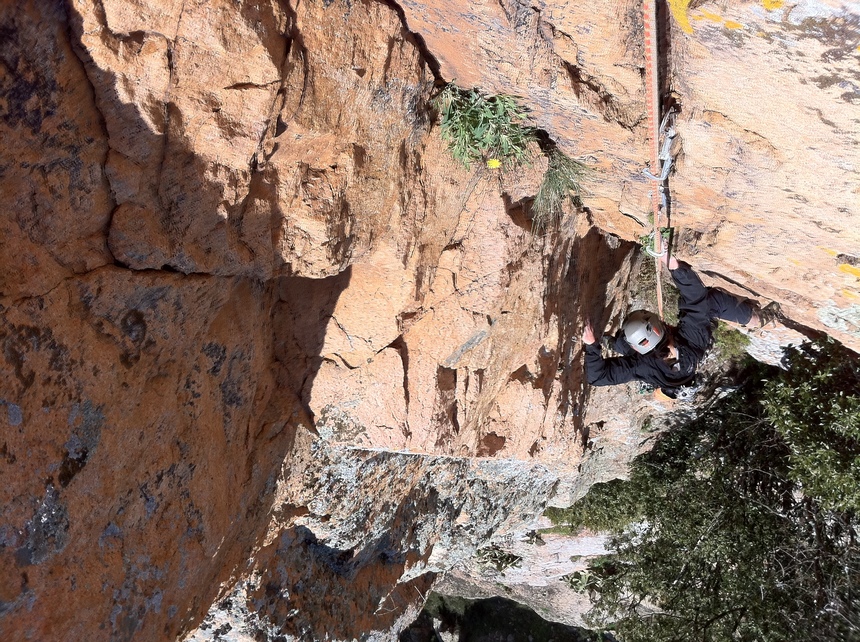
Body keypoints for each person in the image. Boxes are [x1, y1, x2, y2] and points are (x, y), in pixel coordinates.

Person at [581, 253, 771, 398]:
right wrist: (672, 264)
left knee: (622, 344)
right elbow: (697, 299)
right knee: (712, 302)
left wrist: (592, 347)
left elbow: (598, 377)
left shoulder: (643, 365)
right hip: (681, 370)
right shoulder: (691, 341)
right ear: (663, 327)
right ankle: (754, 319)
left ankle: (613, 343)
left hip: (669, 377)